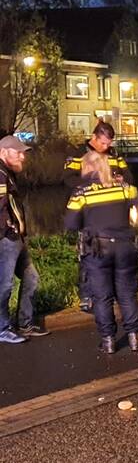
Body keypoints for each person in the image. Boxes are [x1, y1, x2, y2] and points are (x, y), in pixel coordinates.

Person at [65, 151, 138, 353]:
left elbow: (70, 224)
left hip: (97, 249)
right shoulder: (125, 188)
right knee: (127, 293)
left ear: (87, 168)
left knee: (102, 296)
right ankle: (134, 337)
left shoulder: (82, 192)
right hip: (126, 247)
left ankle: (108, 341)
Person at [63, 121, 132, 314]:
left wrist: (121, 180)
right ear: (94, 138)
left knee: (113, 256)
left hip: (112, 212)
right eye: (103, 143)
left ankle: (111, 293)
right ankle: (86, 295)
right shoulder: (78, 153)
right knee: (88, 253)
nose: (106, 147)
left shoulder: (115, 155)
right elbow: (67, 179)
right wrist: (89, 187)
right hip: (89, 211)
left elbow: (129, 177)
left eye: (109, 143)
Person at [0, 136, 46, 345]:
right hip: (6, 241)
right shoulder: (0, 175)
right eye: (18, 152)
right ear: (3, 152)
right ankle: (2, 328)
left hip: (15, 239)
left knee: (31, 278)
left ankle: (25, 324)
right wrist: (8, 231)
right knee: (4, 286)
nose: (22, 157)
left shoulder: (7, 174)